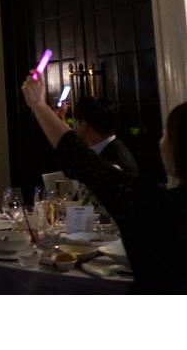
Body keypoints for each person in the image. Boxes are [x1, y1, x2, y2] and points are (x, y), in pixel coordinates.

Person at [22, 75, 187, 293]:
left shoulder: (156, 206)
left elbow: (80, 159)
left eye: (165, 134)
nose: (161, 141)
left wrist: (38, 104)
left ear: (178, 150)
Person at [67, 95, 139, 175]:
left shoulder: (113, 165)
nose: (74, 127)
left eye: (76, 122)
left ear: (84, 125)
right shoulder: (108, 149)